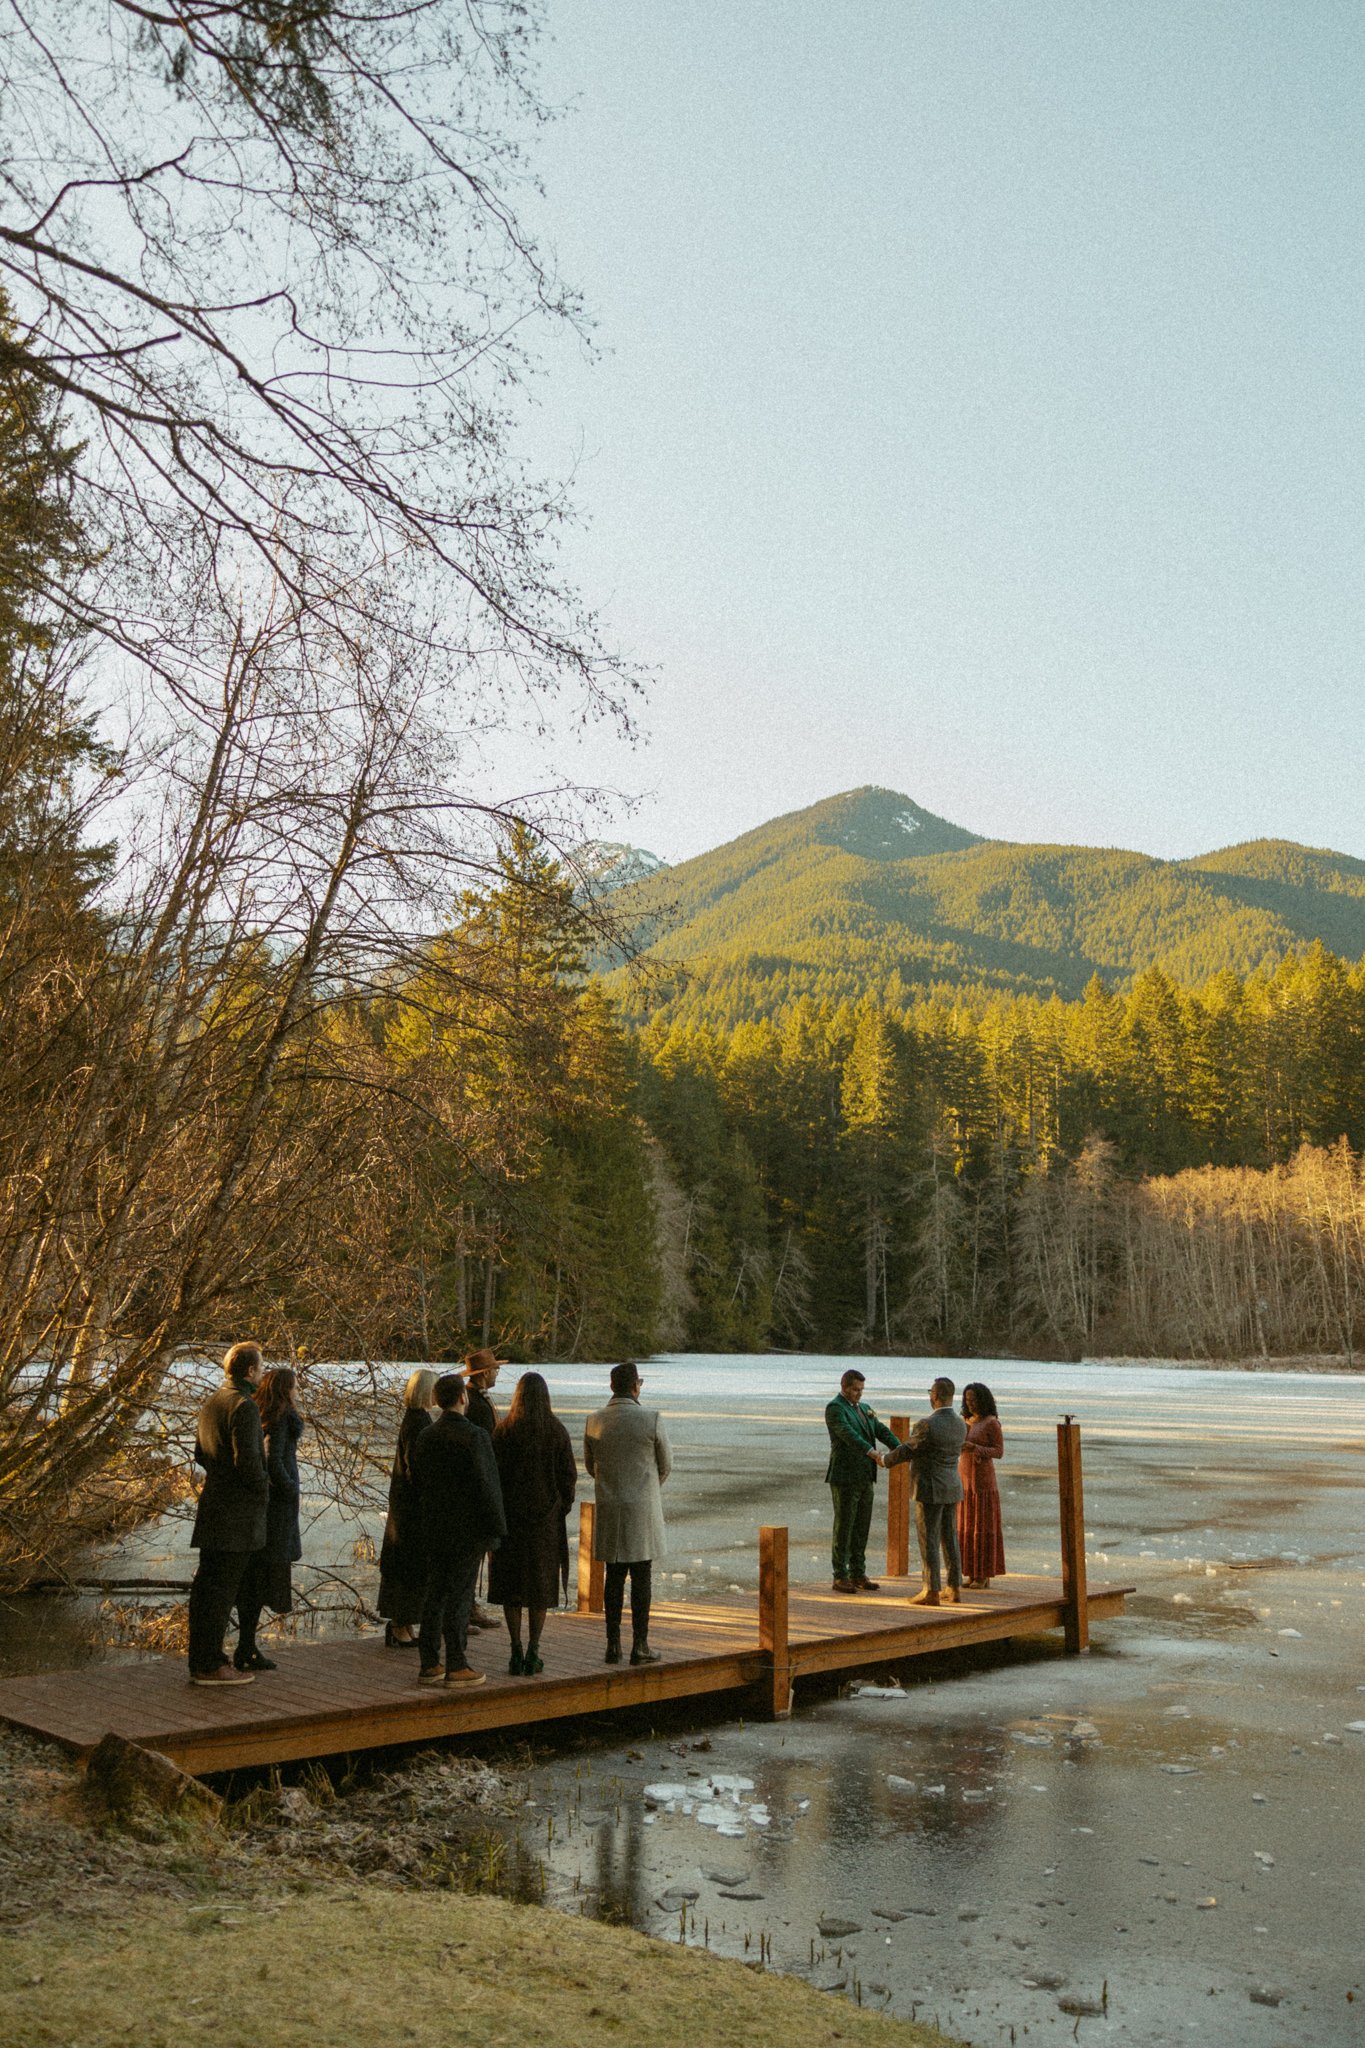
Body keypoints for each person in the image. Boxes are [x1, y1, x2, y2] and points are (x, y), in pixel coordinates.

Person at [410, 1372, 507, 1687]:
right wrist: (496, 1528)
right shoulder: (476, 1436)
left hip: (433, 1526)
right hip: (468, 1530)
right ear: (463, 1398)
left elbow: (417, 1482)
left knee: (435, 1592)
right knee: (460, 1595)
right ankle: (457, 1664)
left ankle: (429, 1662)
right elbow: (487, 1486)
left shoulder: (426, 1436)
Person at [186, 1340, 270, 1685]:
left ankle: (201, 1660)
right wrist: (266, 1487)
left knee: (206, 1590)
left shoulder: (213, 1401)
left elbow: (199, 1454)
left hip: (213, 1507)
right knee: (221, 1593)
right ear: (250, 1371)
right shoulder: (244, 1406)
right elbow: (248, 1462)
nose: (263, 1373)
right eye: (261, 1367)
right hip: (236, 1517)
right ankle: (211, 1664)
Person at [489, 1371, 578, 1676]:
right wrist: (559, 1509)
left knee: (511, 1587)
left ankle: (514, 1650)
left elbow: (494, 1478)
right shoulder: (556, 1431)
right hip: (544, 1524)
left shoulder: (503, 1432)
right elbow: (569, 1478)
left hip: (510, 1523)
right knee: (539, 1588)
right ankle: (533, 1650)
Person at [583, 1361, 671, 1666]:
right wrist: (645, 1488)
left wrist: (613, 1485)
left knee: (614, 1577)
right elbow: (666, 1465)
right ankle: (640, 1644)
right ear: (636, 1386)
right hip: (641, 1509)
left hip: (610, 1506)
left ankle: (612, 1646)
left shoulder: (594, 1421)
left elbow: (590, 1466)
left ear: (611, 1387)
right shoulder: (651, 1419)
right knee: (642, 1576)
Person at [232, 1366, 304, 1671]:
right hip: (277, 1512)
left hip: (265, 1510)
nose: (298, 1391)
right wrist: (291, 1490)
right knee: (262, 1579)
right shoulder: (283, 1418)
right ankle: (246, 1648)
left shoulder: (260, 1414)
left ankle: (246, 1646)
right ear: (285, 1389)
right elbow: (274, 1461)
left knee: (253, 1579)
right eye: (295, 1386)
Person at [882, 1375, 967, 1606]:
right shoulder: (960, 1424)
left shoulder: (927, 1424)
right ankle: (954, 1586)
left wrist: (885, 1460)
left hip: (929, 1487)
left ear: (935, 1396)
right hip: (952, 1485)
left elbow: (909, 1449)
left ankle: (930, 1590)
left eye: (931, 1392)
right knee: (950, 1537)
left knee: (928, 1538)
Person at [823, 1368, 901, 1593]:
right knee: (844, 1525)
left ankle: (858, 1572)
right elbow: (848, 1435)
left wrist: (901, 1448)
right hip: (845, 1475)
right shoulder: (835, 1408)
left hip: (866, 1476)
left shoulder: (865, 1409)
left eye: (861, 1390)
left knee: (862, 1526)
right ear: (844, 1387)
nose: (859, 1394)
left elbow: (881, 1430)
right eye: (855, 1390)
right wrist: (872, 1452)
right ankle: (840, 1575)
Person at [377, 1368, 438, 1647]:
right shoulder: (418, 1422)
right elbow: (416, 1466)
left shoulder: (415, 1419)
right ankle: (400, 1624)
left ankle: (404, 1624)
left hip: (406, 1506)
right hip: (411, 1510)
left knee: (410, 1567)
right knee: (409, 1568)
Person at [462, 1347, 506, 1630]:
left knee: (475, 1550)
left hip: (482, 1481)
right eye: (494, 1369)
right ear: (483, 1374)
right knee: (471, 1550)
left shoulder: (477, 1399)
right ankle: (465, 1609)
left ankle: (469, 1607)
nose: (497, 1373)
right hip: (475, 1486)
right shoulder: (474, 1403)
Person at [958, 1381, 1005, 1589]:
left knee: (982, 1527)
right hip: (965, 1478)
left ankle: (983, 1574)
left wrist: (975, 1448)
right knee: (967, 1526)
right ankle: (970, 1571)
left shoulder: (991, 1423)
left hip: (983, 1481)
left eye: (974, 1400)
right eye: (967, 1400)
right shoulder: (966, 1420)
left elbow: (998, 1451)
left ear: (983, 1400)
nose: (971, 1404)